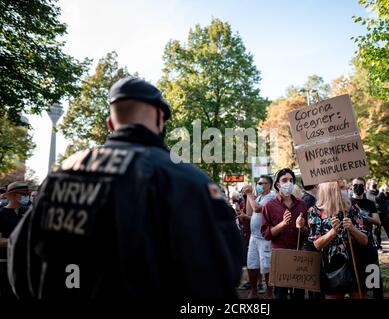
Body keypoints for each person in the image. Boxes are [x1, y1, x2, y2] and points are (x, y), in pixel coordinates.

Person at [8, 77, 243, 299]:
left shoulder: (62, 175)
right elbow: (219, 272)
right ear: (160, 118)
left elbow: (20, 255)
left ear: (111, 123)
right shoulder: (185, 179)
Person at [308, 181, 368, 299]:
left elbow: (365, 240)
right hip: (332, 266)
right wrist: (332, 232)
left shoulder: (352, 208)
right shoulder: (315, 211)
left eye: (345, 187)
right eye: (341, 187)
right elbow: (317, 244)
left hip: (356, 262)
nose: (346, 189)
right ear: (330, 190)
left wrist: (352, 229)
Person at [261, 168, 309, 299]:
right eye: (284, 180)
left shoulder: (302, 205)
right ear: (277, 184)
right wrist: (282, 224)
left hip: (298, 255)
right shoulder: (269, 206)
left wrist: (302, 226)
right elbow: (266, 234)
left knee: (298, 295)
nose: (289, 183)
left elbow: (308, 232)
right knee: (280, 295)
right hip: (280, 257)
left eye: (291, 180)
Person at [350, 177, 383, 299]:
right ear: (351, 186)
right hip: (353, 245)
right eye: (355, 185)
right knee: (357, 277)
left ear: (364, 187)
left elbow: (378, 222)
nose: (358, 187)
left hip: (368, 244)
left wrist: (364, 215)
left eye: (360, 185)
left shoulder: (369, 203)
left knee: (374, 277)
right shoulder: (347, 203)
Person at [242, 176, 275, 299]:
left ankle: (270, 293)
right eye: (258, 183)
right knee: (252, 264)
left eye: (263, 183)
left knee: (267, 266)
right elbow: (250, 212)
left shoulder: (271, 197)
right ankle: (254, 291)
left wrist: (250, 194)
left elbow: (256, 209)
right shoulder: (259, 197)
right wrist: (247, 196)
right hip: (254, 237)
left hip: (264, 238)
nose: (260, 185)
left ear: (269, 185)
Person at [0, 181, 31, 297]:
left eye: (27, 194)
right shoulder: (1, 214)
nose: (26, 196)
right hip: (5, 265)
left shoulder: (28, 213)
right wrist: (18, 240)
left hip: (24, 265)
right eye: (23, 194)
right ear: (12, 195)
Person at [366, 178, 389, 251]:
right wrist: (381, 192)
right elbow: (376, 199)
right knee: (377, 233)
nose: (375, 184)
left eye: (375, 182)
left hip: (384, 214)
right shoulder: (368, 193)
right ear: (369, 185)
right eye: (373, 183)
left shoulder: (378, 192)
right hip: (376, 216)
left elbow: (387, 198)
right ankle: (378, 246)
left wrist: (386, 192)